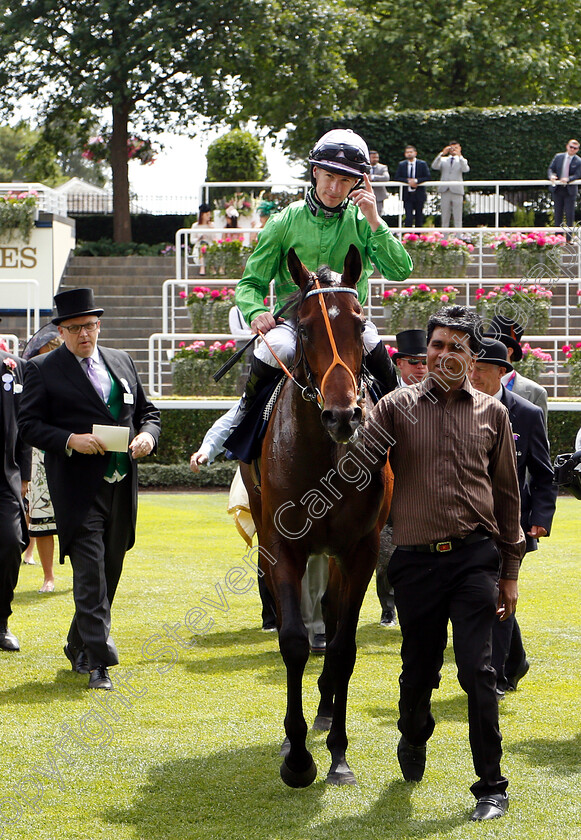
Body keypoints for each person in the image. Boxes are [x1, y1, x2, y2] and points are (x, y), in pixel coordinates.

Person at [361, 305, 524, 822]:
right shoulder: (393, 408)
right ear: (423, 351)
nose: (444, 354)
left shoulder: (493, 413)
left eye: (457, 346)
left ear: (472, 357)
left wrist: (510, 571)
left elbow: (507, 496)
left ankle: (491, 787)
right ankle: (413, 733)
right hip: (413, 563)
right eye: (437, 345)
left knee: (478, 671)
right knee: (418, 670)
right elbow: (357, 469)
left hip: (475, 559)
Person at [190, 127, 412, 471]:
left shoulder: (365, 221)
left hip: (348, 326)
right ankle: (242, 425)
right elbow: (250, 283)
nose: (335, 189)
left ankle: (407, 439)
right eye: (329, 177)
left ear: (358, 183)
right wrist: (256, 311)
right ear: (315, 173)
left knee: (378, 355)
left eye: (345, 181)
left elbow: (400, 271)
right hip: (298, 324)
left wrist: (375, 220)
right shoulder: (283, 221)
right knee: (276, 349)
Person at [19, 288, 161, 690]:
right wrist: (69, 439)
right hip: (79, 491)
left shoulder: (121, 360)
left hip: (121, 486)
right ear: (61, 331)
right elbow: (29, 424)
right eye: (76, 327)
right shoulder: (43, 369)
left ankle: (76, 642)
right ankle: (99, 663)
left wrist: (148, 436)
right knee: (91, 576)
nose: (85, 334)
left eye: (91, 325)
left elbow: (149, 413)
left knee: (109, 571)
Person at [469, 339, 556, 697]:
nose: (472, 375)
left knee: (496, 595)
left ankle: (498, 675)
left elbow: (544, 473)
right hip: (470, 522)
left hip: (510, 523)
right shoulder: (460, 408)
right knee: (489, 595)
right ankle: (515, 660)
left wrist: (541, 517)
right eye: (469, 367)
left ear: (501, 373)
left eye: (481, 369)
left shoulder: (526, 413)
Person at [377, 330, 428, 627]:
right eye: (413, 361)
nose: (419, 367)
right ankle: (388, 606)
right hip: (389, 486)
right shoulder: (382, 394)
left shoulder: (439, 395)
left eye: (424, 361)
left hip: (423, 487)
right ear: (400, 364)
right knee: (385, 558)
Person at [0, 348, 31, 651]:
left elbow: (25, 423)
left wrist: (24, 474)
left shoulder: (12, 367)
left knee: (11, 543)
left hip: (5, 476)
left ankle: (1, 621)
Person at [485, 315, 548, 427]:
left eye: (493, 346)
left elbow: (540, 438)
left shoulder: (535, 392)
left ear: (509, 351)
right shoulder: (474, 384)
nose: (487, 351)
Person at [431, 141, 470, 228]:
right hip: (445, 190)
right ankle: (444, 237)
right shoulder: (443, 159)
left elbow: (465, 169)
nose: (453, 150)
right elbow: (434, 166)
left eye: (455, 148)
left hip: (457, 190)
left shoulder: (462, 160)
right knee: (445, 215)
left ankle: (458, 237)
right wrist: (442, 153)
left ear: (459, 148)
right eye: (451, 148)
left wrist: (459, 155)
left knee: (458, 215)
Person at [547, 139, 581, 235]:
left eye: (575, 148)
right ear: (567, 146)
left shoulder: (579, 161)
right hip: (558, 189)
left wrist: (568, 179)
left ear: (577, 150)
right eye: (571, 147)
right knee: (558, 214)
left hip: (570, 191)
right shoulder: (558, 157)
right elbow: (551, 168)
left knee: (569, 215)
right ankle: (558, 239)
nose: (572, 149)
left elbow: (578, 175)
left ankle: (569, 239)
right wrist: (551, 176)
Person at [394, 145, 431, 228]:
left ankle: (418, 238)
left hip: (419, 194)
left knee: (419, 216)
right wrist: (408, 181)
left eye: (411, 152)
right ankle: (408, 237)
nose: (409, 154)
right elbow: (397, 177)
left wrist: (416, 181)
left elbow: (428, 177)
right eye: (407, 152)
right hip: (407, 195)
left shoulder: (422, 164)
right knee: (408, 217)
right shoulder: (402, 164)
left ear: (415, 153)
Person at [191, 202, 215, 276]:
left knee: (206, 246)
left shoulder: (212, 225)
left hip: (210, 246)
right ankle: (202, 267)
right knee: (203, 245)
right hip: (199, 246)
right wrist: (199, 238)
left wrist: (211, 229)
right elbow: (192, 240)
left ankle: (211, 267)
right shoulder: (195, 226)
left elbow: (215, 239)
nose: (209, 216)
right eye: (207, 215)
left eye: (209, 214)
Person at [369, 149, 390, 215]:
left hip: (379, 195)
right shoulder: (364, 167)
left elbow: (386, 177)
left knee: (378, 214)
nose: (375, 159)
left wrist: (373, 177)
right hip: (366, 194)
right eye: (373, 157)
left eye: (377, 157)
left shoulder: (383, 167)